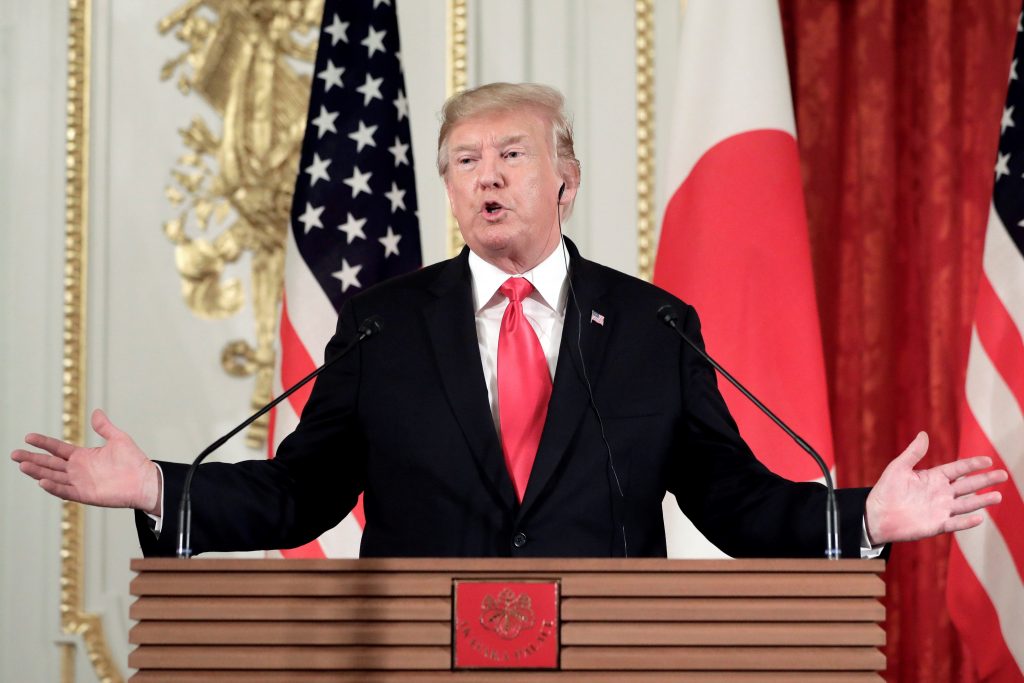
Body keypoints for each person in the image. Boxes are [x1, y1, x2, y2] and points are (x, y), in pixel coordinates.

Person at [12, 83, 1007, 558]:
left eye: (511, 155)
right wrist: (159, 486)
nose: (486, 175)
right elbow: (301, 489)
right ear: (447, 188)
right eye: (465, 160)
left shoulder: (654, 326)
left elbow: (733, 499)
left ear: (566, 179)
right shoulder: (381, 326)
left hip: (607, 659)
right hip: (419, 659)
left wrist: (862, 516)